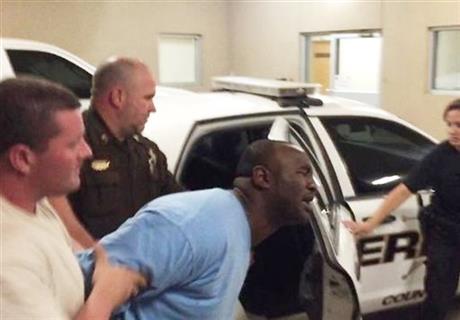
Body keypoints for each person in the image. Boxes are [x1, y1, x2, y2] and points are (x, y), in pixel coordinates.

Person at [78, 139, 317, 319]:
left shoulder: (237, 233)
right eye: (303, 173)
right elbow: (97, 281)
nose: (313, 186)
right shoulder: (195, 223)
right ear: (262, 177)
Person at [0, 77, 146, 319]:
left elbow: (65, 249)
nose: (87, 152)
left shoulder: (35, 201)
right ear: (23, 159)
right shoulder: (10, 260)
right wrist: (107, 295)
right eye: (73, 144)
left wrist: (101, 257)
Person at [344, 98, 460, 320]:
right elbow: (404, 190)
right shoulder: (440, 155)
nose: (452, 131)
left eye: (459, 125)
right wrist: (371, 223)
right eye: (449, 124)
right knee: (438, 294)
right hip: (445, 232)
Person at [51, 57, 182, 243]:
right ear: (118, 97)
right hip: (89, 266)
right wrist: (101, 261)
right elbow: (56, 223)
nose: (153, 108)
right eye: (147, 98)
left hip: (141, 266)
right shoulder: (69, 149)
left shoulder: (146, 153)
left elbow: (179, 204)